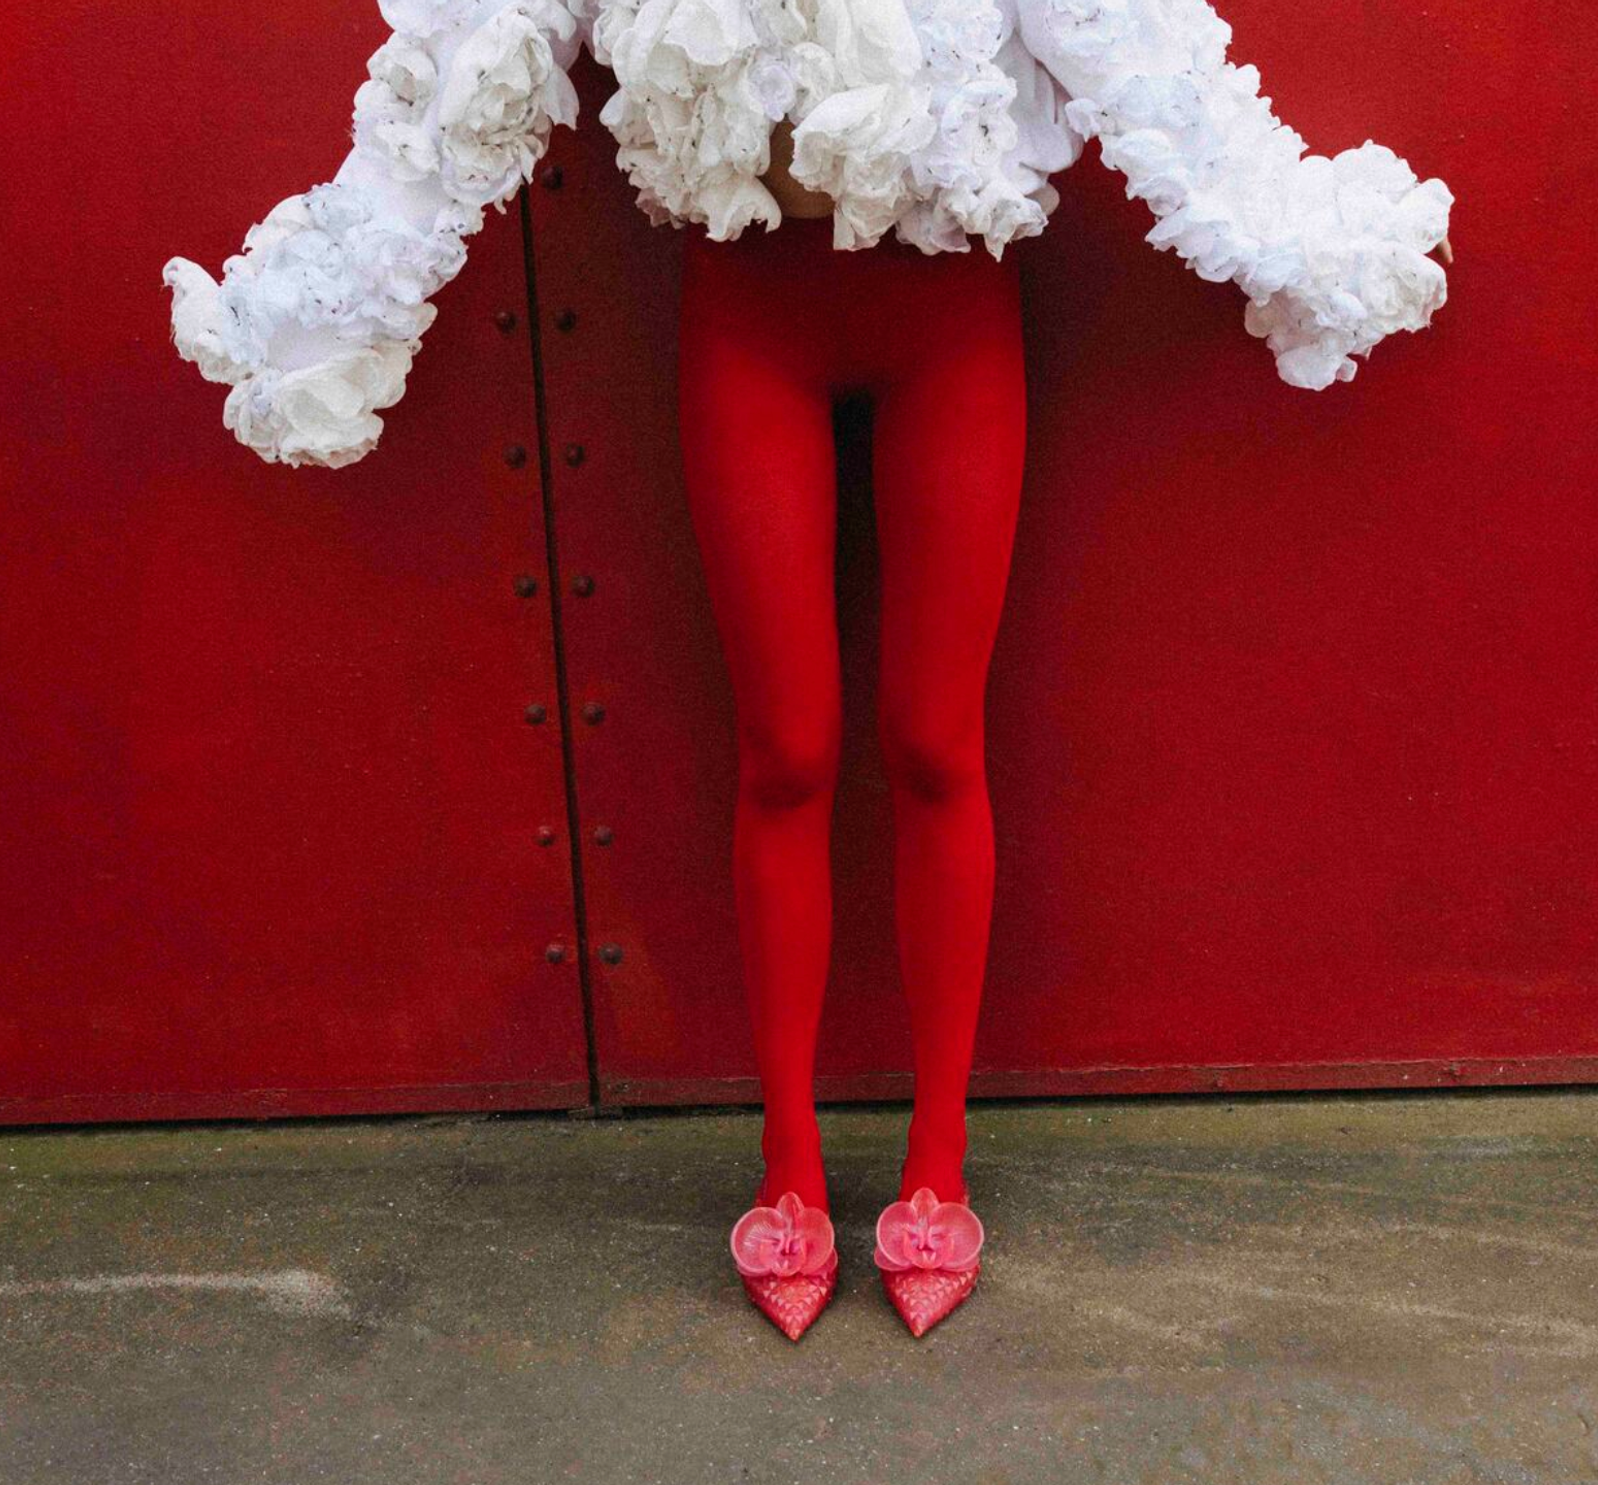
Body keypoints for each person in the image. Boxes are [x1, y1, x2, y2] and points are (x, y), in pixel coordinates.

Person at [163, 0, 1454, 1341]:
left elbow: (1159, 77)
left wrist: (1320, 247)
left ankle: (938, 1165)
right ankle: (788, 1167)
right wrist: (311, 319)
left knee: (937, 739)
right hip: (748, 317)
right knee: (785, 750)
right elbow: (462, 84)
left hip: (952, 316)